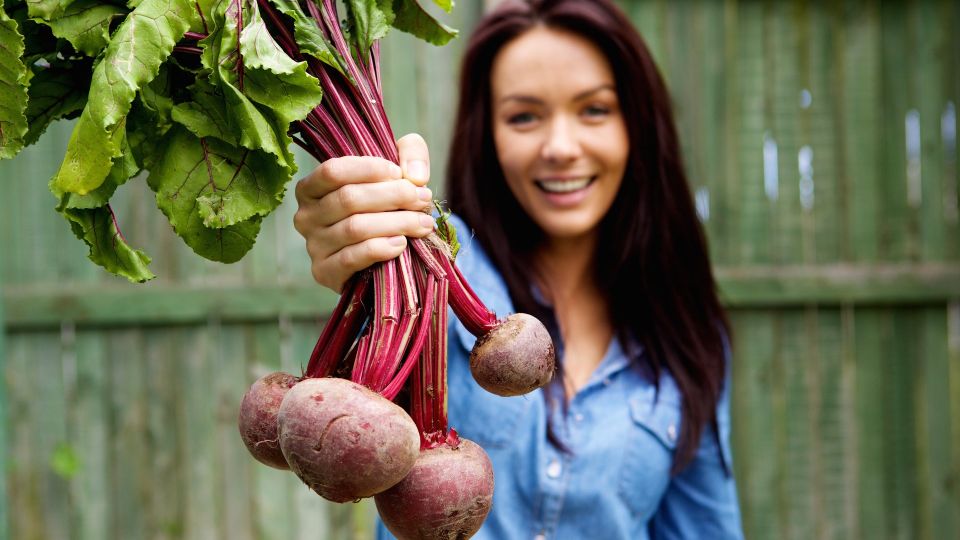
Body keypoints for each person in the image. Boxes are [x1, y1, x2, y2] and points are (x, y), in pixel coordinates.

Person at [293, 0, 743, 538]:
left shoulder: (688, 335)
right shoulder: (427, 263)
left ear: (638, 126)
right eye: (524, 116)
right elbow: (367, 260)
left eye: (594, 109)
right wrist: (358, 240)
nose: (560, 147)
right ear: (488, 136)